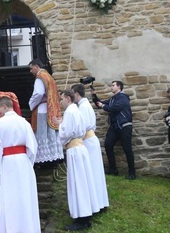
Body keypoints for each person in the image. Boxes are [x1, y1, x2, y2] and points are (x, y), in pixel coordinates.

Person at [0, 95, 41, 233]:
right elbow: (33, 147)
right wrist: (28, 163)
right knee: (25, 196)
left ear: (4, 106)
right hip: (23, 161)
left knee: (10, 197)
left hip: (7, 163)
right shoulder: (24, 122)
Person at [54, 89, 100, 231]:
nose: (60, 103)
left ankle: (82, 219)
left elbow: (66, 133)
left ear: (68, 98)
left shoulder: (69, 112)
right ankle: (85, 216)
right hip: (80, 148)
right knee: (83, 182)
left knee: (78, 183)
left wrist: (59, 125)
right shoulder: (76, 110)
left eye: (61, 99)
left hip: (75, 150)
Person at [72, 83, 109, 211]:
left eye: (72, 95)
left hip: (87, 140)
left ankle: (97, 203)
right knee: (95, 172)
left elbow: (82, 127)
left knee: (92, 172)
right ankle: (100, 202)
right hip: (91, 139)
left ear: (76, 94)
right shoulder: (85, 105)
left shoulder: (82, 107)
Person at [91, 80, 136, 179]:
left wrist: (103, 106)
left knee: (127, 149)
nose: (111, 87)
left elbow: (115, 108)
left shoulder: (123, 97)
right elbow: (100, 104)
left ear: (119, 87)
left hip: (124, 126)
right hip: (114, 127)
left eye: (113, 85)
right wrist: (94, 96)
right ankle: (113, 169)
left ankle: (132, 173)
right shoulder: (112, 99)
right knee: (108, 145)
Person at [28, 58, 63, 166]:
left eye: (31, 68)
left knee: (42, 133)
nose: (30, 71)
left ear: (36, 66)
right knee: (50, 133)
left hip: (42, 108)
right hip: (50, 108)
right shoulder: (49, 76)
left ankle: (45, 161)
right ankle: (53, 157)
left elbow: (38, 93)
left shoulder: (40, 77)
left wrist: (31, 103)